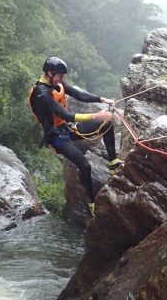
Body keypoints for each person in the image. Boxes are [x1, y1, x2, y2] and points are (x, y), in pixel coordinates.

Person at [29, 57, 123, 214]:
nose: (62, 79)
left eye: (62, 76)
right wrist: (95, 116)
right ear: (49, 73)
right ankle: (92, 203)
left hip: (67, 129)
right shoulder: (41, 94)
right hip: (55, 137)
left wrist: (101, 99)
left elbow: (79, 95)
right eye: (59, 75)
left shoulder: (56, 84)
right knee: (85, 165)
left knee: (107, 125)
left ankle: (113, 162)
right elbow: (66, 115)